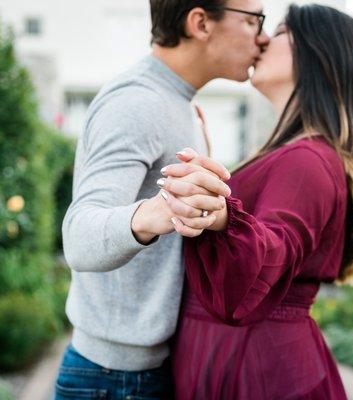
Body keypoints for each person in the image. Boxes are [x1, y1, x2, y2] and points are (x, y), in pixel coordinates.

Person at [159, 4, 353, 399]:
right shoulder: (298, 154)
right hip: (248, 358)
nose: (260, 39)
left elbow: (274, 250)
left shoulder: (308, 160)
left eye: (278, 32)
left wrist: (223, 215)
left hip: (257, 369)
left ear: (314, 53)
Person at [55, 1, 269, 398]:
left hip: (145, 371)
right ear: (201, 22)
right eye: (254, 20)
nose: (263, 36)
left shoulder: (180, 102)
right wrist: (158, 211)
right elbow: (79, 239)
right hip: (115, 380)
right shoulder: (137, 102)